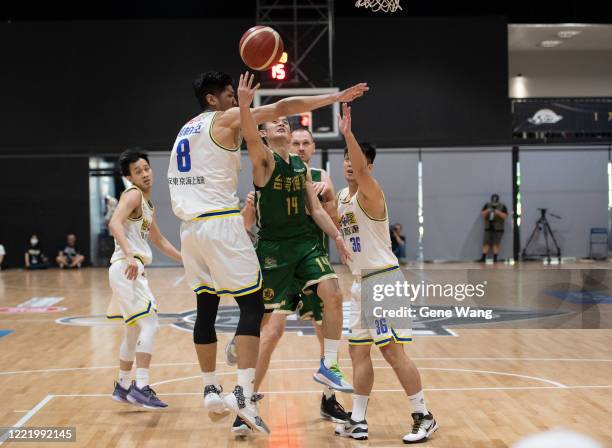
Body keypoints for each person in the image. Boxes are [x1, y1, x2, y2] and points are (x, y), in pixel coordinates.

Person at [167, 70, 367, 433]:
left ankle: (212, 387)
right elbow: (283, 104)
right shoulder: (230, 122)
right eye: (229, 94)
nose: (235, 99)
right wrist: (333, 98)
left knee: (207, 305)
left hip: (190, 228)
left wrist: (337, 235)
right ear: (213, 99)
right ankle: (243, 392)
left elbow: (321, 209)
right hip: (226, 224)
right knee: (254, 307)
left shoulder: (187, 128)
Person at [231, 127, 349, 435]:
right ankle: (246, 401)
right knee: (271, 332)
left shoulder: (319, 175)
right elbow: (248, 224)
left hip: (310, 254)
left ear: (312, 146)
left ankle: (329, 397)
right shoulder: (268, 166)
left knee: (327, 327)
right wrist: (250, 205)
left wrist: (332, 205)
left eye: (305, 142)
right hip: (278, 256)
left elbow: (328, 213)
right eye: (295, 142)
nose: (300, 146)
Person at [335, 103, 437, 443]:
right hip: (361, 284)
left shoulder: (370, 192)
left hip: (383, 281)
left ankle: (424, 415)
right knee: (358, 352)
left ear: (368, 166)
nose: (350, 163)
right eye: (346, 157)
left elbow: (362, 171)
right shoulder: (340, 197)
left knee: (392, 351)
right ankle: (359, 419)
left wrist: (348, 134)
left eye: (357, 159)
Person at [107, 149, 182, 409]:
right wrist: (128, 255)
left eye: (146, 168)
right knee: (151, 324)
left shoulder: (146, 204)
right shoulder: (133, 194)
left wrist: (185, 259)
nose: (145, 173)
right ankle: (141, 385)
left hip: (126, 268)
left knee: (133, 331)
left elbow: (159, 240)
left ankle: (123, 385)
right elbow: (114, 223)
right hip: (127, 267)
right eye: (138, 171)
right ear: (129, 177)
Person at [479, 193, 508, 263]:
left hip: (498, 228)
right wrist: (487, 211)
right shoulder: (487, 205)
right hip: (488, 227)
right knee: (486, 242)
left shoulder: (502, 206)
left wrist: (498, 212)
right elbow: (482, 214)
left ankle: (495, 258)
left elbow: (505, 216)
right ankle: (483, 258)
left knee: (496, 243)